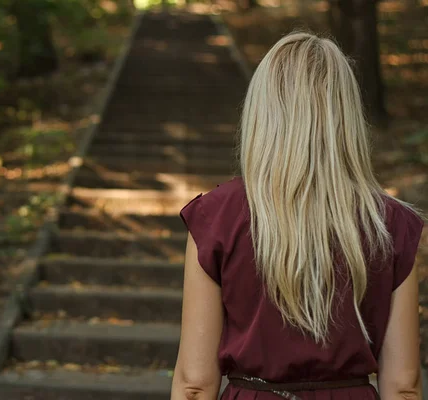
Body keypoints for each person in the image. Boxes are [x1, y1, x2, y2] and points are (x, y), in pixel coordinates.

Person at [171, 32, 425, 400]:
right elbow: (403, 386)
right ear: (346, 115)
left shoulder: (217, 218)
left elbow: (195, 384)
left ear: (262, 113)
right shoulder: (391, 225)